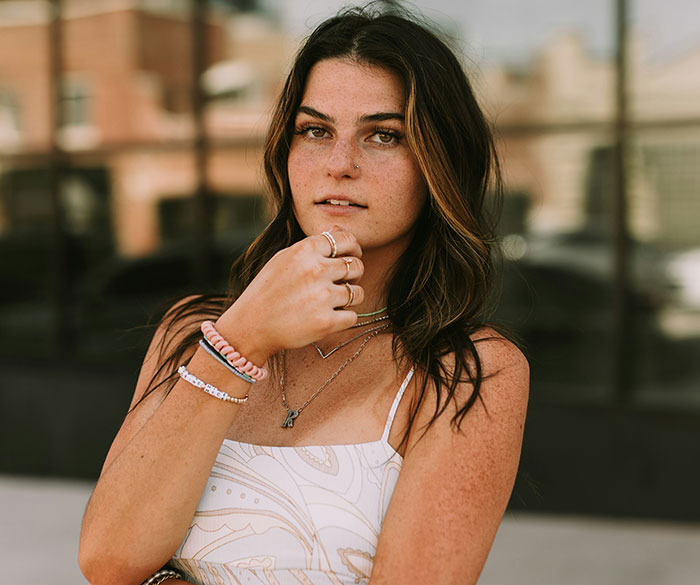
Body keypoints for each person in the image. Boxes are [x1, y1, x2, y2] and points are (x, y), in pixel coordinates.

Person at [79, 4, 529, 585]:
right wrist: (242, 341)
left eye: (384, 135)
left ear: (439, 162)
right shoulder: (191, 334)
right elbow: (109, 559)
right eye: (315, 130)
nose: (339, 164)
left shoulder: (469, 371)